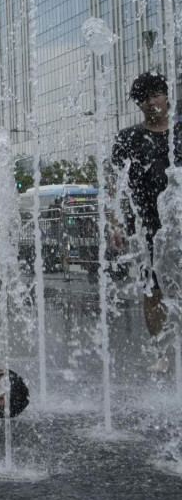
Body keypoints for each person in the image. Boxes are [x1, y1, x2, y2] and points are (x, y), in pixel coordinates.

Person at [110, 72, 182, 373]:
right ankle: (163, 352)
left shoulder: (180, 132)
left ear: (166, 95)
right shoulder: (127, 138)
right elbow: (115, 185)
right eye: (144, 99)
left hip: (178, 221)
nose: (151, 103)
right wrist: (114, 224)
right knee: (153, 291)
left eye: (156, 95)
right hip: (145, 226)